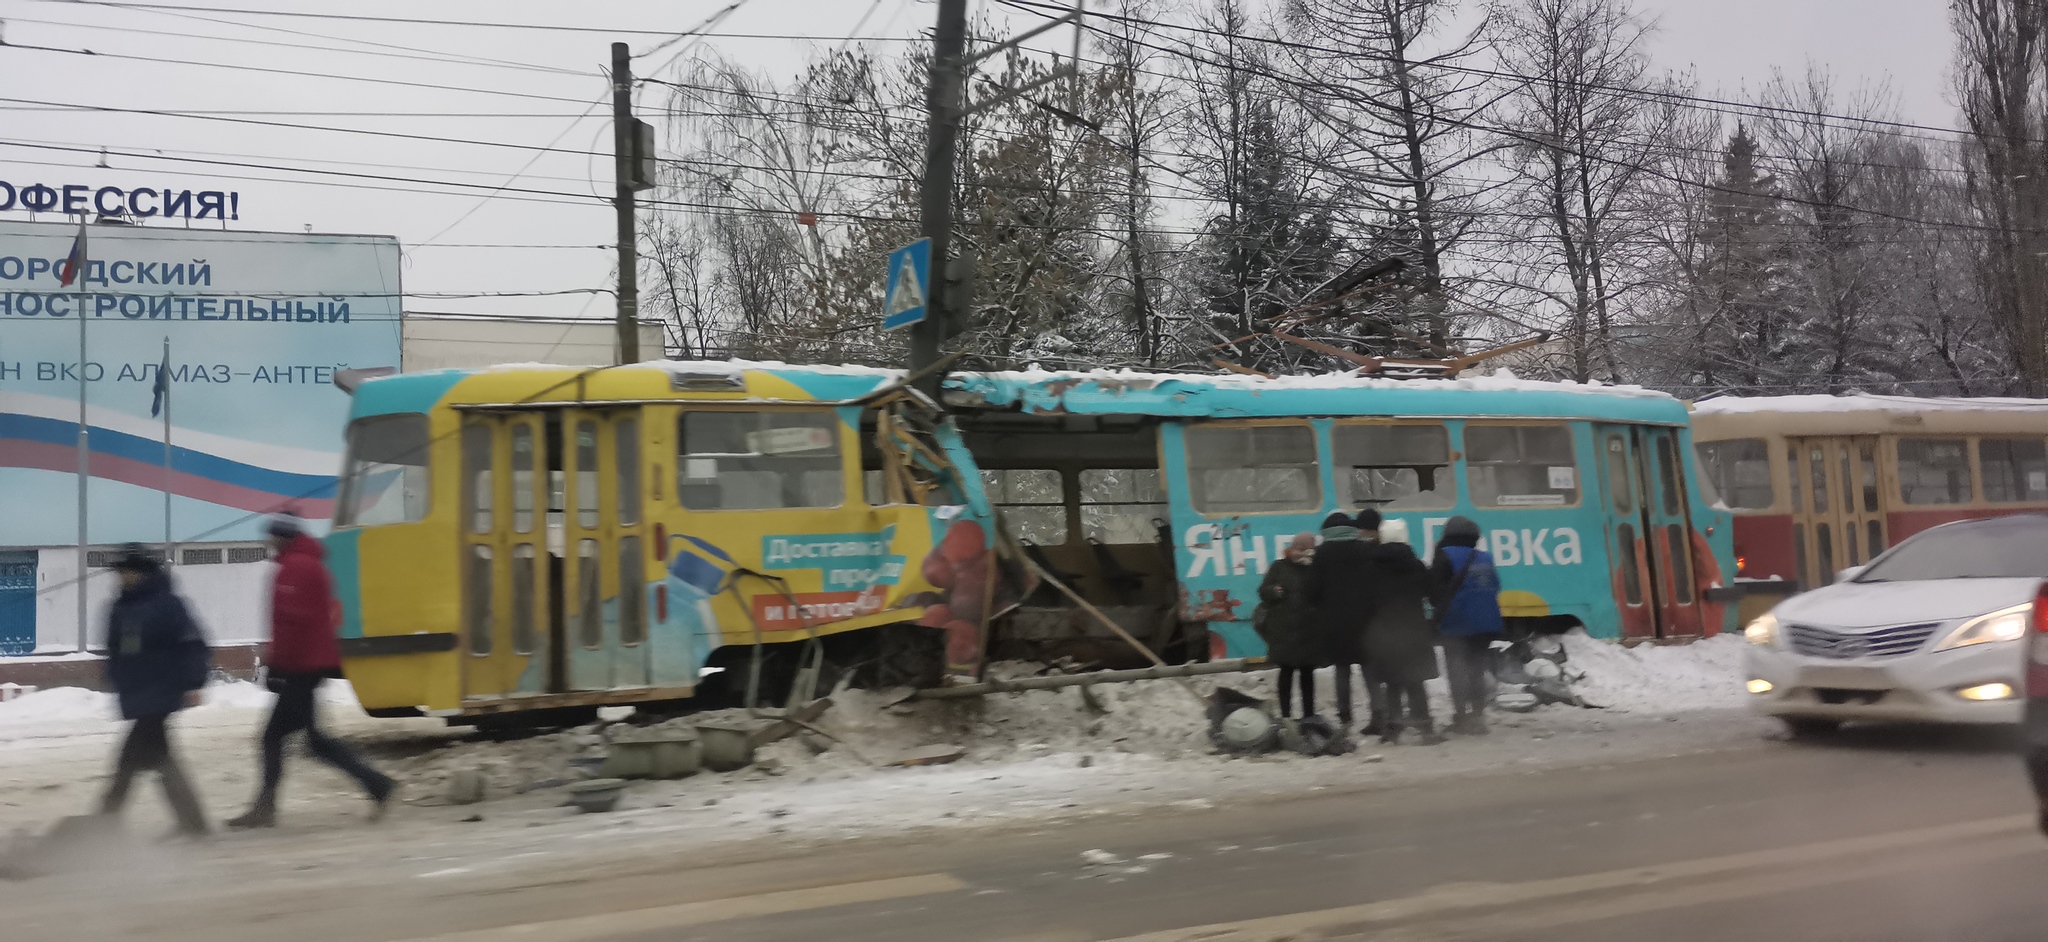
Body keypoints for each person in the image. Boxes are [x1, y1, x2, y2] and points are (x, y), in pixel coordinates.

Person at [226, 514, 394, 829]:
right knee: (312, 740)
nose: (269, 541)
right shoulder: (309, 564)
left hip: (300, 667)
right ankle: (378, 786)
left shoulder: (294, 569)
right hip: (310, 665)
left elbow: (292, 623)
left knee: (273, 737)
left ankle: (266, 809)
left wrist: (278, 665)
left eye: (272, 536)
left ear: (281, 537)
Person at [100, 545, 213, 837]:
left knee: (129, 760)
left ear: (141, 572)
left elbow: (193, 644)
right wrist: (114, 675)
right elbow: (114, 648)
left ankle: (105, 822)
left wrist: (193, 681)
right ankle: (193, 823)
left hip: (161, 692)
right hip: (139, 694)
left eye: (126, 572)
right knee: (158, 758)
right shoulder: (121, 606)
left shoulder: (167, 604)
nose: (121, 578)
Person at [1356, 509, 1444, 746]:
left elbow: (1363, 601)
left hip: (1384, 632)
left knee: (1392, 682)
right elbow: (1433, 595)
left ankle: (1392, 729)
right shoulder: (1415, 565)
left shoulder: (1371, 566)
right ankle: (1425, 729)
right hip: (1412, 629)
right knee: (1415, 682)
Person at [1430, 516, 1504, 735]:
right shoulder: (1485, 557)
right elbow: (1496, 586)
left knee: (1456, 670)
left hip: (1457, 624)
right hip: (1486, 624)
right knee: (1476, 670)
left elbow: (1435, 592)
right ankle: (1478, 717)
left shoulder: (1445, 556)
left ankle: (1461, 716)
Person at [1305, 512, 1378, 733]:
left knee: (1342, 670)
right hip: (1366, 620)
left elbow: (1312, 590)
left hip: (1335, 621)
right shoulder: (1365, 549)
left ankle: (1345, 717)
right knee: (1369, 669)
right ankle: (1379, 714)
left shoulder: (1321, 554)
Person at [1254, 533, 1323, 718]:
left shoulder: (1316, 569)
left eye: (1305, 550)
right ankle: (1286, 716)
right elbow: (1262, 591)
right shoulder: (1279, 567)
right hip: (1284, 630)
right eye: (1297, 549)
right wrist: (1273, 591)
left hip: (1308, 631)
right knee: (1286, 673)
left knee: (1307, 675)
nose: (1299, 553)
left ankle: (1309, 715)